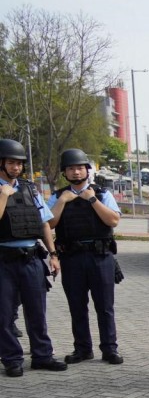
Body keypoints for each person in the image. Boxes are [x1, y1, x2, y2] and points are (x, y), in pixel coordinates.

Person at [47, 148, 123, 365]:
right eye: (71, 169)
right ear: (65, 172)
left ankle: (109, 349)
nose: (76, 172)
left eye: (80, 168)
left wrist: (92, 200)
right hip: (71, 258)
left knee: (105, 306)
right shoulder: (57, 196)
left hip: (100, 257)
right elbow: (49, 224)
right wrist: (62, 201)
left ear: (87, 170)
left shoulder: (102, 193)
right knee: (77, 306)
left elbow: (113, 221)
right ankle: (82, 349)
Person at [0, 138, 66, 378]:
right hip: (4, 260)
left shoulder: (29, 189)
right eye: (11, 163)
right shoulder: (1, 191)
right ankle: (12, 359)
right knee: (4, 314)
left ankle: (42, 355)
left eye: (19, 163)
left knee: (37, 310)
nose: (16, 167)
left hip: (31, 259)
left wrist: (53, 254)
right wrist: (4, 196)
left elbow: (44, 224)